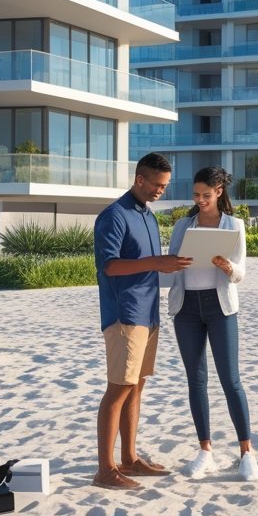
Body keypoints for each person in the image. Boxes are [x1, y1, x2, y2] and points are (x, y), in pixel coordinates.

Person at [92, 152, 192, 491]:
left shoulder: (147, 216)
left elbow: (149, 265)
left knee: (136, 386)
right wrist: (155, 262)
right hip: (124, 315)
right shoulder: (114, 216)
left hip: (148, 313)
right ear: (140, 179)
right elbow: (110, 266)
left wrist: (167, 265)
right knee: (118, 388)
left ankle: (129, 459)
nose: (161, 191)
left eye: (165, 186)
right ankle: (105, 470)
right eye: (157, 185)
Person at [166, 166, 258, 481]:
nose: (200, 200)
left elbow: (241, 273)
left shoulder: (234, 225)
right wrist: (175, 263)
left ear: (219, 192)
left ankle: (247, 454)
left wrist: (227, 266)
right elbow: (170, 266)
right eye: (196, 195)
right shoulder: (182, 225)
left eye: (206, 195)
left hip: (220, 308)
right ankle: (205, 451)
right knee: (196, 380)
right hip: (186, 308)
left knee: (231, 380)